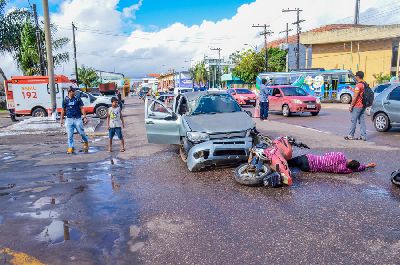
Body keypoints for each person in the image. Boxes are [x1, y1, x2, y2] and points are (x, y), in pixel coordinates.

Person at [288, 152, 376, 174]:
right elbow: (357, 168)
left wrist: (369, 164)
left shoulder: (340, 155)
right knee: (294, 166)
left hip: (308, 159)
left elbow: (326, 154)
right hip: (308, 168)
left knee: (290, 162)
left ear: (350, 160)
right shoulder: (344, 170)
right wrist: (367, 165)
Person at [60, 87, 89, 154]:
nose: (75, 93)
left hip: (78, 119)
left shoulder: (78, 99)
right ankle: (71, 147)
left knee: (81, 133)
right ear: (70, 92)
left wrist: (85, 117)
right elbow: (63, 110)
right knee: (69, 135)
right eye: (74, 91)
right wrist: (61, 119)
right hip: (69, 119)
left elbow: (82, 108)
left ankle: (86, 141)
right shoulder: (65, 100)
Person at [345, 71, 367, 141]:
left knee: (353, 120)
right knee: (362, 121)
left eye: (355, 76)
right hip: (363, 105)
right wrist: (352, 89)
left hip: (357, 106)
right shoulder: (364, 84)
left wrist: (351, 106)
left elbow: (355, 97)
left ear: (357, 77)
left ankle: (351, 135)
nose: (355, 77)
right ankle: (363, 136)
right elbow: (359, 93)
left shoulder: (358, 85)